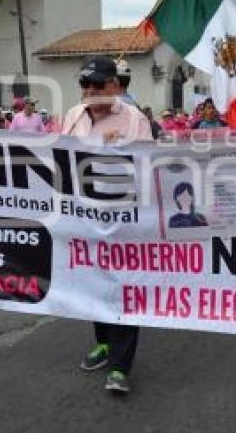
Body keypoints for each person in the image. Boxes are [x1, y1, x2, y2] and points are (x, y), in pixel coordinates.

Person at [62, 55, 151, 395]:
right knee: (93, 284)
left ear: (114, 85)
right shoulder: (72, 116)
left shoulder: (135, 119)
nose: (89, 91)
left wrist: (114, 151)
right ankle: (102, 342)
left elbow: (146, 169)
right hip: (83, 219)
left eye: (97, 84)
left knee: (124, 289)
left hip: (124, 221)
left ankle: (120, 366)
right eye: (84, 84)